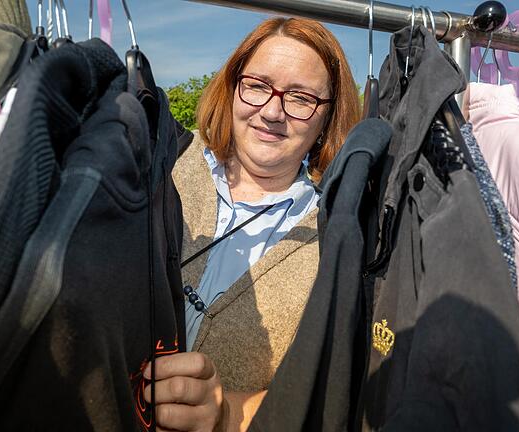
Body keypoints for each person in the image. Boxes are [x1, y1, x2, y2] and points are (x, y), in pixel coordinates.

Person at [144, 17, 360, 431]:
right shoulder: (164, 166)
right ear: (232, 86)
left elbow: (329, 390)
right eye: (258, 85)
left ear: (327, 119)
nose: (273, 111)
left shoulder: (338, 235)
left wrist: (229, 414)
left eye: (300, 97)